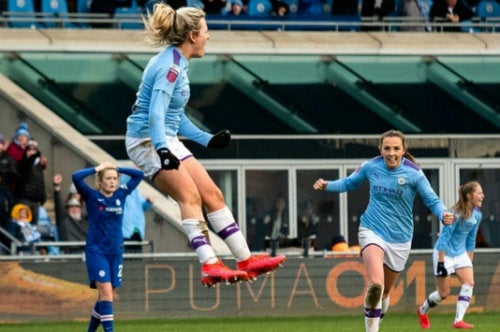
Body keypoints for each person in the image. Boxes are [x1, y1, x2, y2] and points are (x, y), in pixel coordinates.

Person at [125, 3, 285, 287]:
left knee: (213, 195)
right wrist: (162, 150)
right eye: (206, 31)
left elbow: (175, 118)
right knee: (190, 197)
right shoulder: (170, 67)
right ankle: (210, 264)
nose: (208, 36)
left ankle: (245, 259)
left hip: (163, 137)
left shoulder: (177, 62)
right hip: (147, 140)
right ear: (191, 37)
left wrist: (207, 139)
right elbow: (156, 115)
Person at [313, 129, 455, 332]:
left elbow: (432, 200)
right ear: (380, 149)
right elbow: (349, 183)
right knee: (376, 284)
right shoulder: (371, 166)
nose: (391, 153)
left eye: (396, 148)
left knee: (385, 292)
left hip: (400, 239)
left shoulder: (414, 173)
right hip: (372, 230)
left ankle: (377, 321)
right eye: (387, 148)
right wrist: (327, 185)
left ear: (403, 150)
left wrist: (443, 214)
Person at [72, 162, 143, 332]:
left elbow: (139, 175)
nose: (112, 182)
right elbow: (76, 177)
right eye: (108, 178)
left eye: (115, 178)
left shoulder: (121, 194)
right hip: (96, 250)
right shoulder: (92, 196)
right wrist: (97, 169)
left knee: (105, 294)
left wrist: (119, 168)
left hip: (116, 251)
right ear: (100, 182)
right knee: (107, 293)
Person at [417, 181, 484, 330]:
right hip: (444, 253)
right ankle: (422, 310)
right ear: (469, 196)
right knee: (444, 293)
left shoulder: (477, 215)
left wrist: (469, 261)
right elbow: (444, 239)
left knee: (469, 282)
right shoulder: (454, 214)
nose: (482, 196)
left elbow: (471, 239)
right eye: (479, 193)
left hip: (460, 254)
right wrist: (441, 262)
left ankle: (458, 321)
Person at [15, 140, 47, 226]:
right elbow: (27, 163)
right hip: (24, 199)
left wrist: (42, 197)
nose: (31, 152)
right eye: (29, 149)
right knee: (22, 224)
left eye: (34, 150)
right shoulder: (23, 163)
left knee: (34, 226)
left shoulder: (38, 167)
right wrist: (36, 154)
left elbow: (40, 183)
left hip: (35, 201)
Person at [120, 173, 153, 253]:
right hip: (125, 231)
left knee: (136, 258)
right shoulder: (121, 189)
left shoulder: (136, 192)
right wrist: (136, 168)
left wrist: (148, 203)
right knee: (125, 258)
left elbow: (143, 206)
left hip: (137, 231)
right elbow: (126, 178)